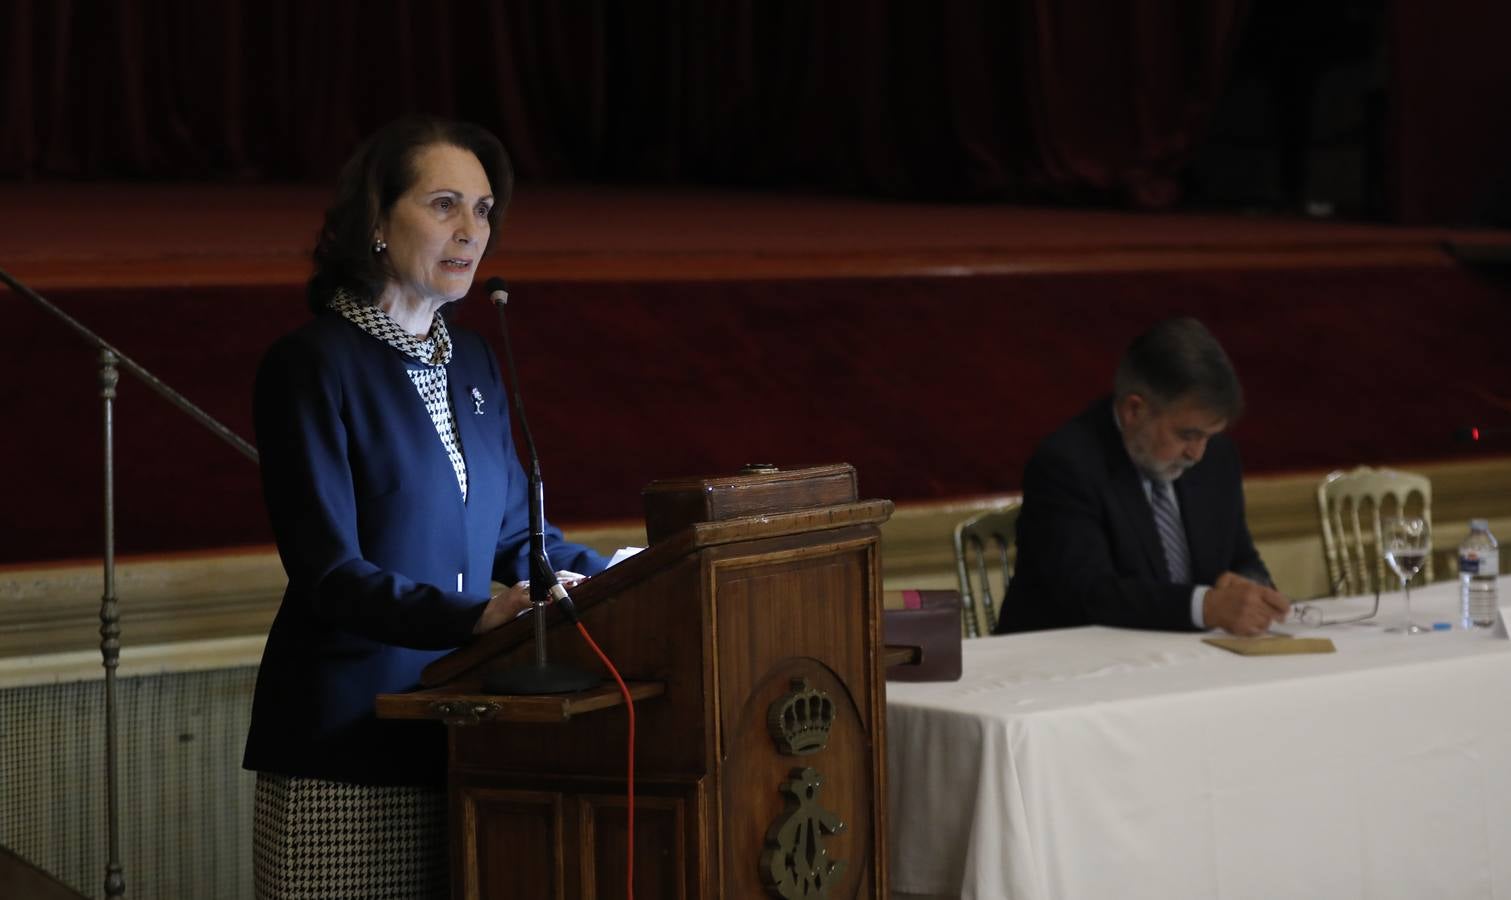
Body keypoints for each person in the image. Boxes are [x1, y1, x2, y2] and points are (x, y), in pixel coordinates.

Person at [243, 116, 609, 899]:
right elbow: (330, 574)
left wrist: (620, 576)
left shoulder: (473, 358)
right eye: (443, 203)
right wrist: (472, 618)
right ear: (375, 220)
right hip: (347, 742)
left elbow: (516, 536)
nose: (469, 231)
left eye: (482, 210)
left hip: (471, 736)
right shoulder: (311, 365)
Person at [994, 317, 1289, 636]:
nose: (1197, 453)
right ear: (1134, 410)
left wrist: (1253, 590)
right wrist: (1206, 606)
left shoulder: (1218, 457)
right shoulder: (1067, 463)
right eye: (1187, 434)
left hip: (1185, 655)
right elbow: (1089, 592)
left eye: (1208, 436)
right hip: (1068, 662)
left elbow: (1239, 554)